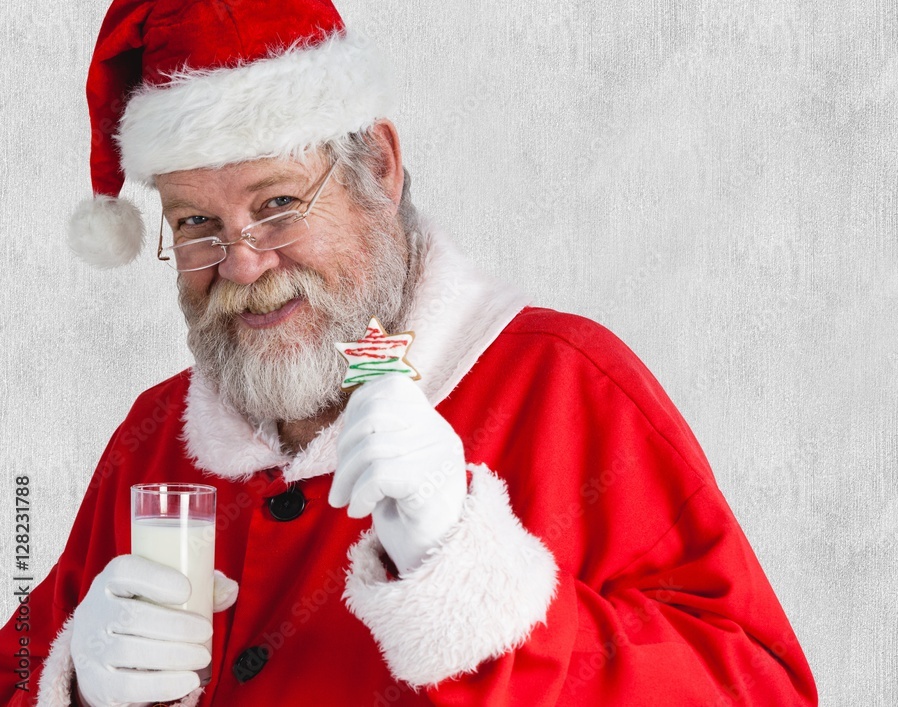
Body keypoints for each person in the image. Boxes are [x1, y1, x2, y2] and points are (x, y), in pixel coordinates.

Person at [0, 1, 818, 705]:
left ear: (380, 169)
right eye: (195, 225)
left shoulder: (568, 383)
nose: (241, 264)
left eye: (278, 203)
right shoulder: (152, 436)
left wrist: (473, 580)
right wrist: (70, 682)